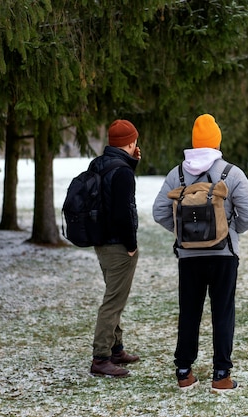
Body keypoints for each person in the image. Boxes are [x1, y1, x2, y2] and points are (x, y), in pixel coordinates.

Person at [152, 114, 248, 392]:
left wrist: (183, 234)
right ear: (216, 141)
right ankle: (221, 375)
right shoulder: (231, 173)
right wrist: (230, 229)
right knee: (222, 312)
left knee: (189, 312)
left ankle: (184, 372)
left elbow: (159, 212)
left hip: (189, 258)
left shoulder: (176, 175)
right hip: (224, 255)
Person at [89, 119, 142, 378]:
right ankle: (101, 358)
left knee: (114, 297)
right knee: (113, 302)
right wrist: (131, 245)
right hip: (118, 246)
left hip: (102, 242)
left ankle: (116, 348)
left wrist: (132, 162)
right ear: (130, 142)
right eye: (135, 141)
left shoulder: (99, 163)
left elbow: (110, 195)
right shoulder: (122, 173)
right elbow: (122, 212)